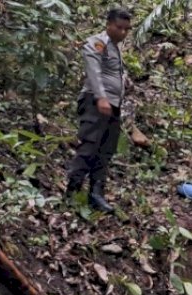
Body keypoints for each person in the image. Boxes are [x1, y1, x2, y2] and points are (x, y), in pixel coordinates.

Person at [66, 9, 132, 213]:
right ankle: (72, 190)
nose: (123, 33)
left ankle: (96, 194)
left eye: (126, 29)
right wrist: (101, 97)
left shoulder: (116, 48)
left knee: (106, 149)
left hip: (113, 104)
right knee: (90, 145)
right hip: (96, 102)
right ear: (108, 24)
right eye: (119, 28)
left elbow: (112, 71)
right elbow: (93, 70)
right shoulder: (97, 42)